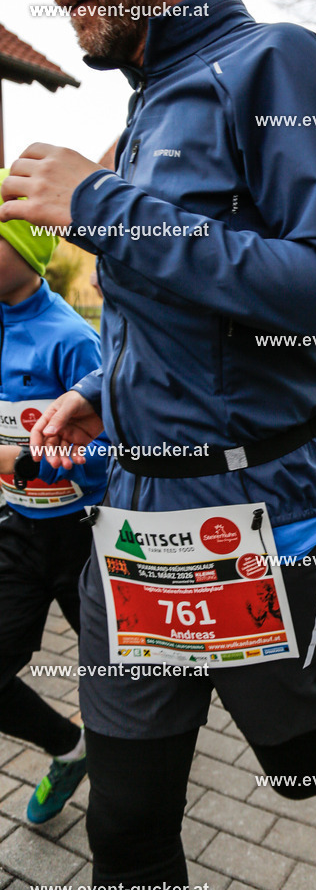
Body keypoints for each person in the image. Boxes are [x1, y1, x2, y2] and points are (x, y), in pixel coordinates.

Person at [0, 0, 316, 888]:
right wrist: (102, 390)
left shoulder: (276, 64)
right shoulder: (141, 114)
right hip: (132, 519)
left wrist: (106, 209)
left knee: (294, 764)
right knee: (129, 829)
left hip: (258, 518)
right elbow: (182, 310)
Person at [0, 192, 108, 824]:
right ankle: (70, 749)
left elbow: (116, 442)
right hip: (19, 531)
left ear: (25, 246)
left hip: (87, 537)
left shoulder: (71, 338)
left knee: (123, 682)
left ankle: (138, 762)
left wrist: (23, 461)